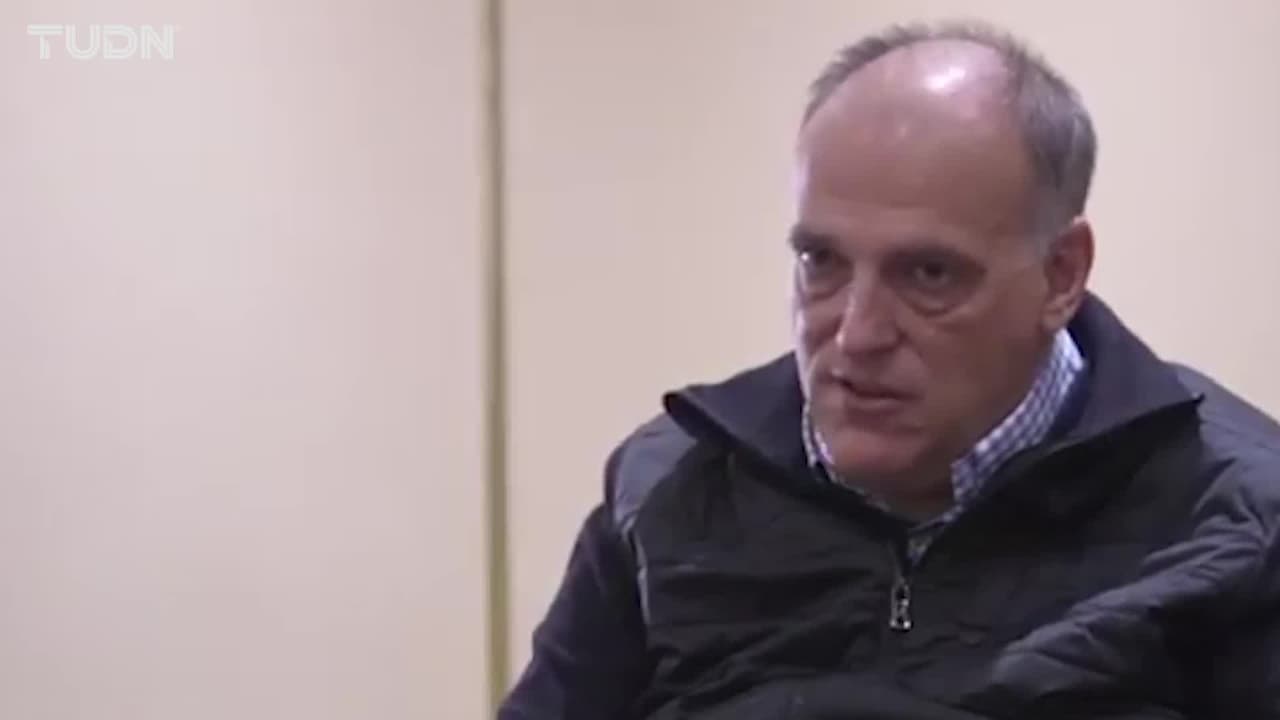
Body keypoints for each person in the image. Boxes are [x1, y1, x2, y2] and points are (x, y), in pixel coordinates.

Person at [497, 19, 1280, 720]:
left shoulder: (1240, 511)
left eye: (928, 274)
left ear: (1061, 274)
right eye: (821, 262)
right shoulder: (670, 481)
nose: (856, 334)